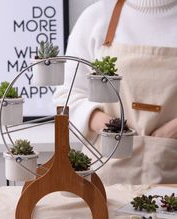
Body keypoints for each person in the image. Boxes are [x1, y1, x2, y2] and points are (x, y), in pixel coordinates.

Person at [53, 0, 177, 185]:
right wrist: (114, 129)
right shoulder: (97, 16)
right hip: (105, 173)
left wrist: (171, 132)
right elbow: (67, 96)